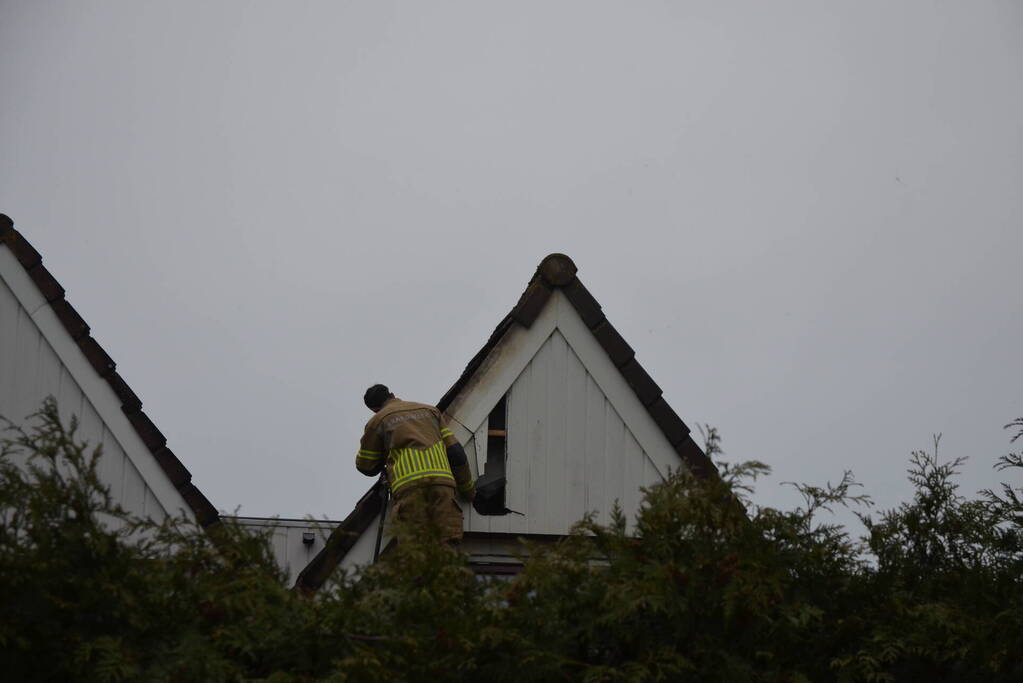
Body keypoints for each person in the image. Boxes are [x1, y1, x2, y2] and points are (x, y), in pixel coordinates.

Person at [356, 384, 475, 546]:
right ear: (392, 394)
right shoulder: (430, 411)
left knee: (416, 554)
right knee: (446, 551)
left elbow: (366, 466)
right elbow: (456, 453)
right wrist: (469, 491)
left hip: (409, 489)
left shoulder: (377, 421)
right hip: (442, 487)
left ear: (374, 409)